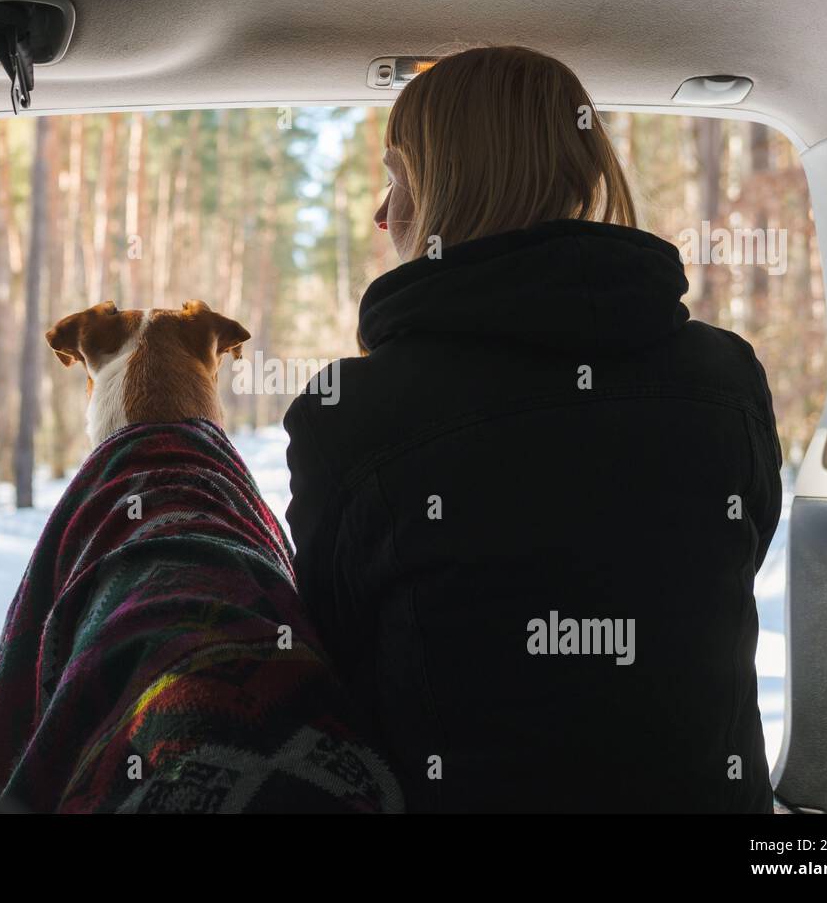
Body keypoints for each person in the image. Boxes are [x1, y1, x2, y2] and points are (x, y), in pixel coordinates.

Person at [284, 46, 781, 812]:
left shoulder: (351, 413)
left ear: (445, 189)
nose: (382, 212)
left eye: (397, 177)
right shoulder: (727, 377)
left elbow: (331, 667)